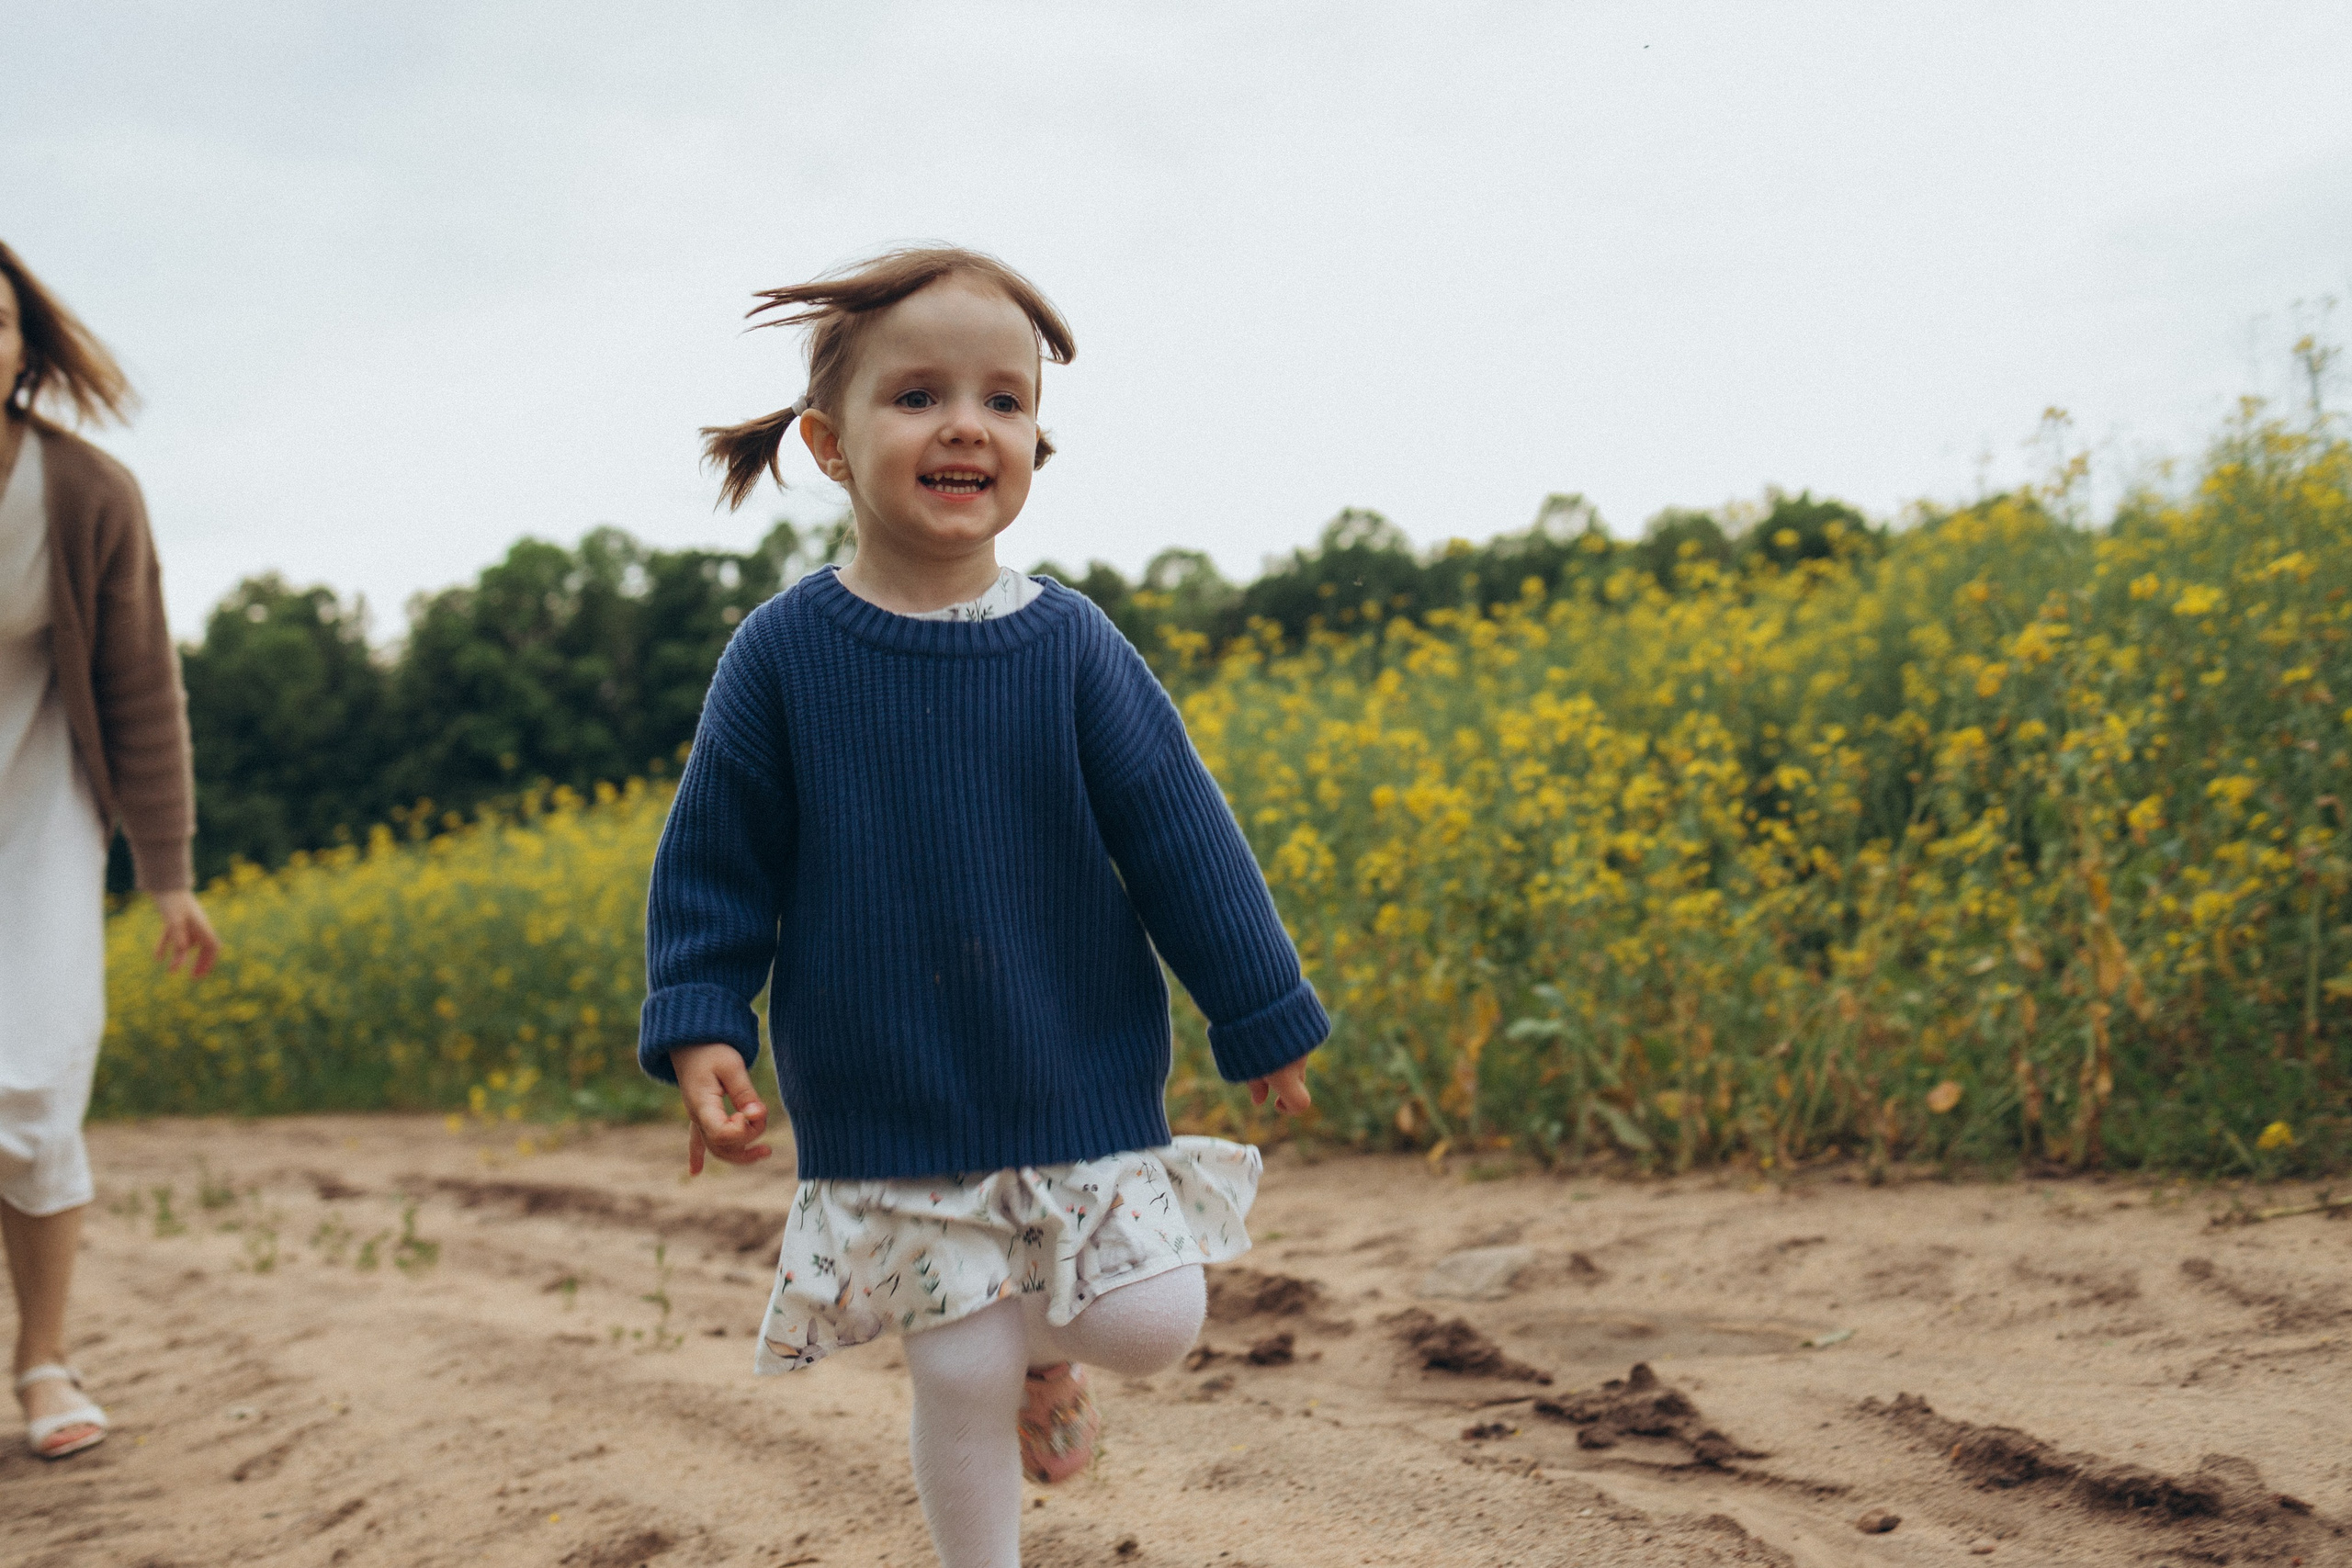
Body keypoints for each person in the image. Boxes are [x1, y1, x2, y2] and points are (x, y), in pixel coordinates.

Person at [642, 247, 1325, 1567]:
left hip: (1074, 1065)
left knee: (1152, 1323)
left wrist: (1261, 1008)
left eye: (1003, 401)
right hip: (888, 1097)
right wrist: (699, 1021)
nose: (967, 423)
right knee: (951, 1368)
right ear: (831, 447)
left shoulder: (1069, 645)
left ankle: (1041, 1368)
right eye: (920, 396)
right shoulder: (781, 657)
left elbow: (1179, 833)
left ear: (1032, 447)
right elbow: (715, 859)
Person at [0, 241, 218, 1461]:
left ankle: (43, 1358)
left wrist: (168, 873)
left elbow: (142, 687)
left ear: (23, 343)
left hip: (38, 810)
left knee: (28, 1083)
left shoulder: (86, 494)